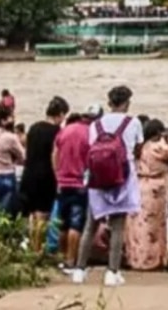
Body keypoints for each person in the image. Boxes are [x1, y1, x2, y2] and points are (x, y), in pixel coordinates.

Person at [72, 86, 144, 288]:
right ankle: (112, 272)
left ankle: (80, 269)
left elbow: (92, 147)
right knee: (118, 226)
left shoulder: (96, 124)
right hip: (122, 177)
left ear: (110, 102)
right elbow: (138, 148)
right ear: (127, 102)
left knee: (90, 224)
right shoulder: (134, 122)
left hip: (97, 178)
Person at [126, 119, 168, 271]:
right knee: (153, 227)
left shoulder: (140, 147)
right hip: (155, 187)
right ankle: (151, 260)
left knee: (138, 224)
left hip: (140, 184)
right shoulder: (158, 147)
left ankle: (135, 257)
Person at [54, 105, 99, 272]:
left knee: (63, 223)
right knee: (76, 224)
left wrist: (58, 176)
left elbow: (55, 154)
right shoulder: (91, 134)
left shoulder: (65, 130)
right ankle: (71, 260)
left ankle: (61, 257)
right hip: (80, 183)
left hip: (63, 182)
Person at [23, 96, 69, 252]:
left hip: (29, 173)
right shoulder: (57, 132)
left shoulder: (34, 128)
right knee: (44, 213)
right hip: (46, 175)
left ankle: (32, 246)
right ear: (60, 114)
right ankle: (38, 248)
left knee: (33, 214)